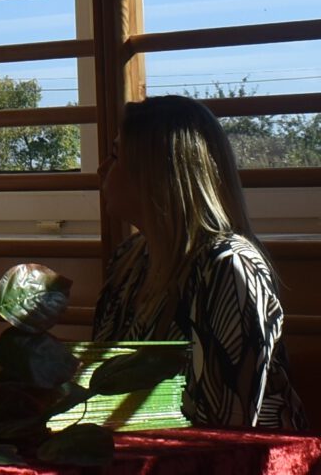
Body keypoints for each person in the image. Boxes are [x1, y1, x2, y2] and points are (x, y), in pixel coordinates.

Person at [92, 95, 309, 429]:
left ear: (155, 173)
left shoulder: (230, 267)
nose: (101, 169)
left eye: (116, 155)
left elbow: (228, 426)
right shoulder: (129, 260)